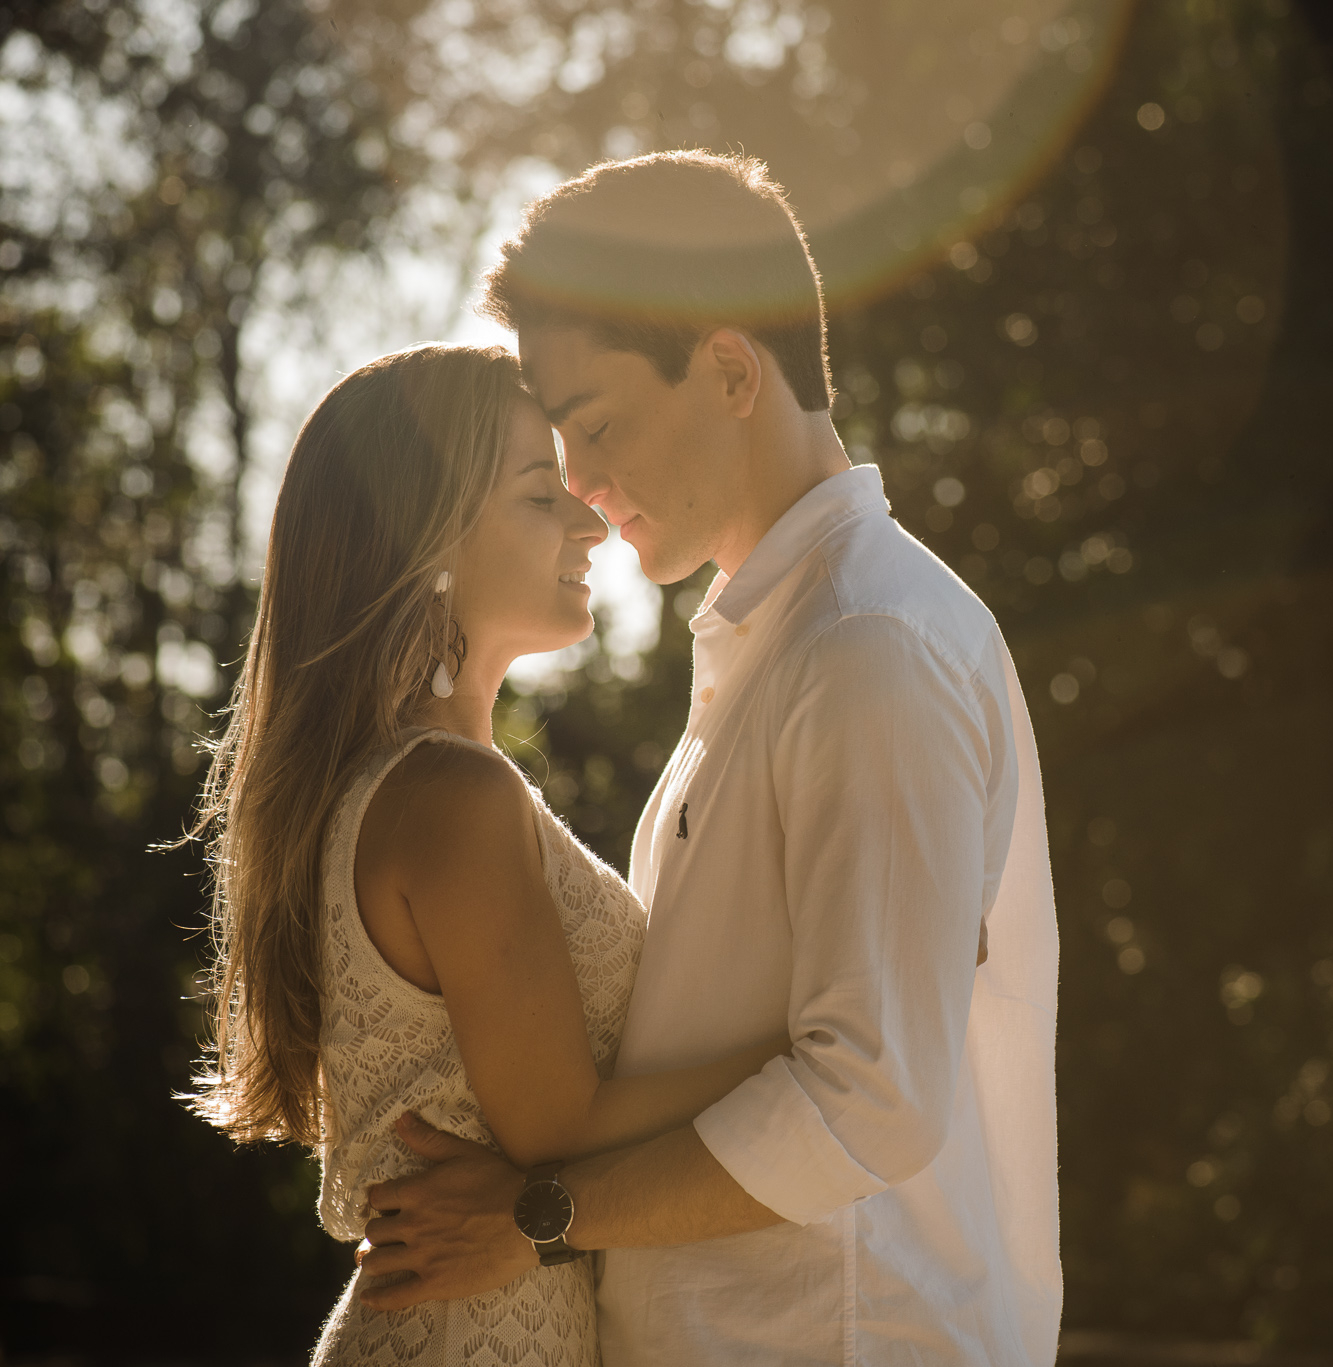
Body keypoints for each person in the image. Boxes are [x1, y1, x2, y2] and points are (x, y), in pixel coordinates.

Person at [352, 151, 1062, 1364]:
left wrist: (538, 1221)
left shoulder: (868, 647)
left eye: (597, 423)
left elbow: (870, 1095)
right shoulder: (780, 646)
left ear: (731, 368)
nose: (579, 484)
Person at [186, 342, 791, 1365]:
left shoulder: (424, 783)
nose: (588, 519)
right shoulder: (450, 797)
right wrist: (817, 1027)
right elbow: (563, 1119)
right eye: (538, 493)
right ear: (428, 540)